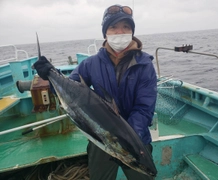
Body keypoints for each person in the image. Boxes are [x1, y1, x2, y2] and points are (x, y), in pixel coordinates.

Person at [34, 4, 157, 180]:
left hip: (136, 141)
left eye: (125, 27)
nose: (119, 32)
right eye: (113, 27)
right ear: (105, 33)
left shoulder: (144, 66)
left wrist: (127, 144)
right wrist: (50, 75)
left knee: (144, 173)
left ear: (132, 31)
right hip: (99, 137)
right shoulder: (91, 64)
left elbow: (144, 108)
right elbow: (70, 89)